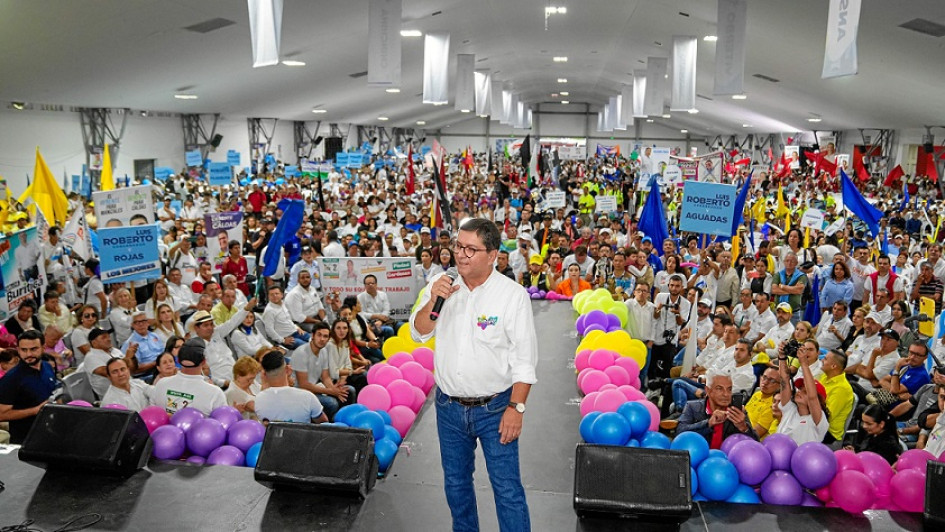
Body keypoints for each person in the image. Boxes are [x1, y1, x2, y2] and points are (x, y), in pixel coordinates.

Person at [410, 218, 538, 532]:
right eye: (458, 246)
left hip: (496, 409)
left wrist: (516, 408)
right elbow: (419, 332)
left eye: (471, 249)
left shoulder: (511, 295)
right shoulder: (441, 284)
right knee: (456, 484)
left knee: (507, 488)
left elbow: (524, 360)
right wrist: (433, 300)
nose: (460, 254)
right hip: (448, 408)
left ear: (492, 255)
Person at [0, 330, 59, 444]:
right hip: (26, 440)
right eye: (24, 350)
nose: (28, 354)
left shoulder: (47, 367)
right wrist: (36, 410)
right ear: (18, 350)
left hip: (51, 432)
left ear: (43, 348)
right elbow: (1, 415)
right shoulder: (11, 379)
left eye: (33, 349)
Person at [676, 369, 758, 448]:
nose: (726, 394)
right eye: (719, 388)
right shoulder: (692, 407)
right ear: (708, 391)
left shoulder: (737, 411)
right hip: (699, 455)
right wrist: (708, 423)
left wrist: (744, 427)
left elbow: (756, 444)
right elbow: (679, 433)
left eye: (729, 389)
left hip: (727, 456)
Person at [292, 321, 356, 420]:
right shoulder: (301, 353)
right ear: (313, 335)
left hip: (315, 388)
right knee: (331, 403)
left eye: (325, 336)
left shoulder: (323, 352)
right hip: (300, 392)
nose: (322, 339)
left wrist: (334, 389)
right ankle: (329, 426)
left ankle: (345, 421)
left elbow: (325, 377)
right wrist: (330, 391)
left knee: (349, 391)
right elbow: (303, 384)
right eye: (319, 335)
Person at [151, 337, 226, 415]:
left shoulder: (161, 384)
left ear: (178, 360)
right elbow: (223, 419)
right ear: (204, 362)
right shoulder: (214, 393)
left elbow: (152, 413)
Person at [191, 298, 255, 387]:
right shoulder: (195, 347)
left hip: (238, 374)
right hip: (222, 384)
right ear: (196, 328)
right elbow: (203, 374)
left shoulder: (216, 333)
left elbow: (232, 322)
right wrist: (223, 383)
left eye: (211, 324)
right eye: (206, 325)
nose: (210, 328)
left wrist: (247, 308)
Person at [254, 350, 328, 424]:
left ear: (264, 374)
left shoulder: (258, 400)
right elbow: (323, 423)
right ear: (287, 369)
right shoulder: (307, 397)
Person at [776, 345, 830, 445]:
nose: (799, 392)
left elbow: (812, 397)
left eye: (805, 392)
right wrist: (782, 357)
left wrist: (804, 364)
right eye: (800, 389)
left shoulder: (818, 420)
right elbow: (784, 381)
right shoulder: (789, 408)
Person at [817, 349, 855, 444]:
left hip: (828, 432)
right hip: (816, 421)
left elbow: (826, 416)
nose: (822, 360)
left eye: (825, 359)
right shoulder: (825, 376)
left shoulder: (842, 389)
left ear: (833, 366)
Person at [81, 327, 130, 398]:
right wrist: (128, 358)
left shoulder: (114, 350)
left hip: (128, 386)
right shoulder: (91, 357)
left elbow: (131, 367)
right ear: (94, 342)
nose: (109, 339)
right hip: (112, 395)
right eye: (104, 337)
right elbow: (109, 373)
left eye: (108, 336)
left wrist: (132, 358)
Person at [263, 285, 310, 350]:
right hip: (286, 338)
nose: (274, 296)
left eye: (276, 293)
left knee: (313, 339)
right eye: (272, 294)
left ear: (282, 295)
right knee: (307, 346)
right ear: (268, 296)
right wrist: (283, 340)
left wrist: (297, 328)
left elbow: (288, 320)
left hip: (295, 331)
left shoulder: (283, 304)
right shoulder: (269, 311)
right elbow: (269, 330)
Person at [121, 310, 165, 375]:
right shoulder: (130, 344)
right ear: (132, 325)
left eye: (143, 321)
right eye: (137, 322)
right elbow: (134, 370)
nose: (141, 324)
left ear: (148, 323)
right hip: (146, 375)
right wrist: (156, 363)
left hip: (162, 368)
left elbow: (163, 352)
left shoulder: (155, 336)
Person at [746, 366, 782, 440]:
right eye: (764, 377)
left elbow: (755, 434)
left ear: (780, 386)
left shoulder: (774, 405)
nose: (765, 382)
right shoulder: (757, 394)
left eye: (772, 381)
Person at [357, 274, 395, 341]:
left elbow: (387, 310)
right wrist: (376, 316)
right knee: (389, 330)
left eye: (372, 283)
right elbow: (361, 314)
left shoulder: (383, 295)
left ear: (376, 284)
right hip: (370, 323)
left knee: (400, 325)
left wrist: (380, 320)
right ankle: (384, 346)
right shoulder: (360, 297)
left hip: (384, 320)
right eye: (368, 284)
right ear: (365, 286)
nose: (370, 285)